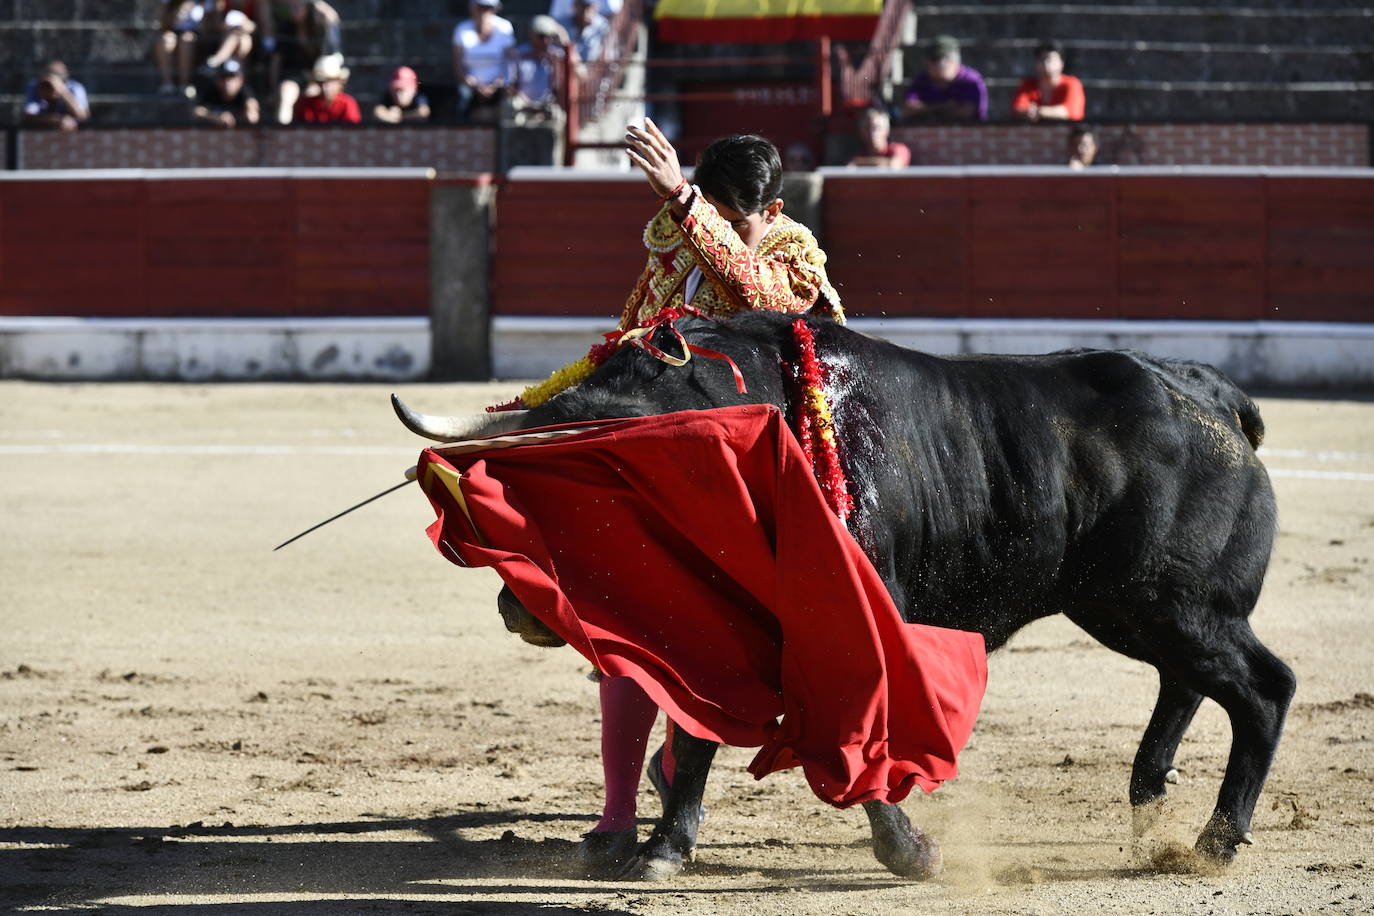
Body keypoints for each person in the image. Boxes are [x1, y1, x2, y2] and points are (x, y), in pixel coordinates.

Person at [561, 124, 843, 872]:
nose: (716, 227)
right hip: (668, 464)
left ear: (774, 210)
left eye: (734, 219)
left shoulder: (794, 251)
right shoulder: (676, 243)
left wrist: (689, 202)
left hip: (768, 479)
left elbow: (765, 305)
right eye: (710, 211)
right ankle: (617, 813)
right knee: (631, 627)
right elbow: (629, 338)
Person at [265, 0, 342, 123]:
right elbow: (276, 60)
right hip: (292, 75)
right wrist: (273, 87)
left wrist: (316, 3)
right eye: (292, 5)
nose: (294, 8)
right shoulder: (286, 27)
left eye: (299, 5)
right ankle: (282, 135)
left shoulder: (317, 25)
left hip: (316, 76)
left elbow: (333, 18)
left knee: (313, 97)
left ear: (307, 6)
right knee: (285, 95)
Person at [452, 0, 516, 124]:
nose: (483, 12)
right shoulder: (461, 30)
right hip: (471, 86)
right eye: (480, 7)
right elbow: (458, 67)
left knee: (510, 102)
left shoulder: (504, 28)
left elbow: (511, 63)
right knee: (462, 99)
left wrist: (496, 84)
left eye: (488, 8)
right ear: (472, 9)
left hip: (499, 85)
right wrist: (474, 85)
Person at [901, 35, 986, 122]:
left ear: (952, 61)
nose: (931, 65)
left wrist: (925, 108)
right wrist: (943, 107)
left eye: (936, 61)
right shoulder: (923, 79)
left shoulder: (970, 79)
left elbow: (965, 112)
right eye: (931, 61)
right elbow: (908, 109)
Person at [508, 16, 570, 125]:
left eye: (550, 37)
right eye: (541, 36)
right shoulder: (519, 54)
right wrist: (526, 102)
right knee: (511, 108)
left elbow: (563, 88)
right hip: (524, 104)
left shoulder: (558, 57)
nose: (546, 41)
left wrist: (557, 66)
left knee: (560, 117)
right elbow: (511, 86)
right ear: (532, 35)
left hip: (548, 105)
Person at [1011, 40, 1086, 122]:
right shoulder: (1027, 84)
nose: (1046, 64)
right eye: (1042, 59)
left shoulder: (1072, 83)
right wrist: (1027, 112)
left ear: (1062, 63)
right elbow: (1018, 108)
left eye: (1050, 59)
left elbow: (1071, 112)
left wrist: (1040, 111)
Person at [155, 0, 212, 96]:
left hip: (197, 36)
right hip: (174, 32)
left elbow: (211, 25)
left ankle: (185, 84)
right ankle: (167, 84)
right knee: (166, 39)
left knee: (186, 40)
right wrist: (176, 9)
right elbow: (162, 24)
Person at [22, 60, 90, 131]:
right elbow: (28, 115)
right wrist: (57, 120)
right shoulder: (36, 86)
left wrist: (63, 92)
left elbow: (82, 116)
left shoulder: (75, 87)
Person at [292, 54, 360, 123]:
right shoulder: (306, 104)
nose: (325, 87)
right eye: (321, 82)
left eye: (330, 82)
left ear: (339, 82)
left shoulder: (347, 104)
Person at [192, 58, 260, 127]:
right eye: (223, 77)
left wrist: (236, 118)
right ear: (217, 80)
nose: (227, 83)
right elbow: (197, 111)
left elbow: (253, 116)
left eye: (231, 77)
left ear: (241, 79)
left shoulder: (245, 92)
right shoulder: (211, 90)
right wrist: (215, 117)